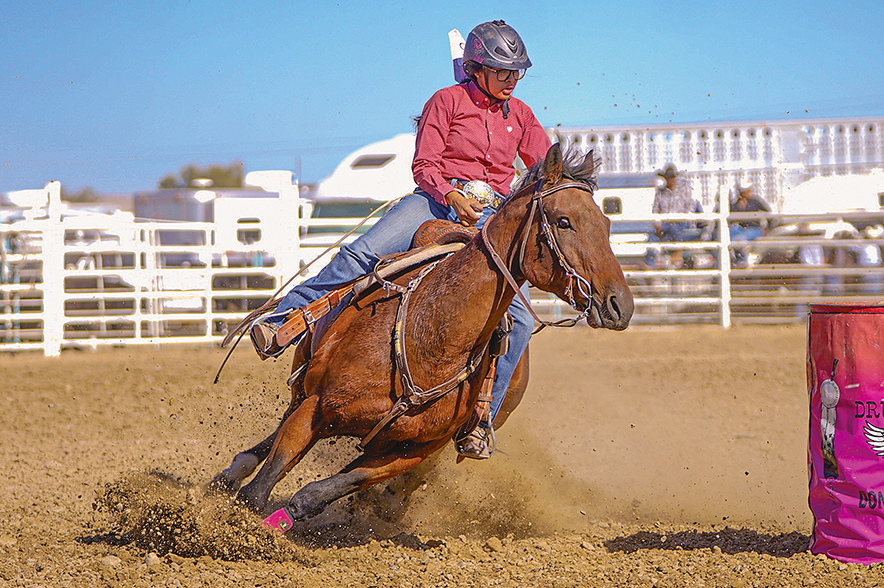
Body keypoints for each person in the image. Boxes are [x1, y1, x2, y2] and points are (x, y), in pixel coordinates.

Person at [249, 20, 550, 460]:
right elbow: (425, 164)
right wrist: (448, 192)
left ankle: (480, 419)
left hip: (490, 217)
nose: (511, 80)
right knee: (363, 253)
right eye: (503, 71)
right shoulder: (445, 101)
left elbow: (545, 163)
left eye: (516, 73)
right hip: (434, 202)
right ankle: (285, 321)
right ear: (477, 68)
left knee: (520, 321)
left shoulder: (520, 115)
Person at [644, 163, 703, 269]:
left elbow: (690, 206)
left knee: (673, 229)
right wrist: (658, 223)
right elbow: (655, 209)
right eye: (668, 178)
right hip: (666, 225)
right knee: (651, 238)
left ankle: (676, 252)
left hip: (680, 223)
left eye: (672, 178)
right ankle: (650, 266)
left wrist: (683, 218)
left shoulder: (684, 190)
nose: (670, 180)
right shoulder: (660, 193)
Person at [726, 182, 771, 267]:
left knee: (739, 239)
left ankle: (742, 260)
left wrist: (768, 227)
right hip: (742, 229)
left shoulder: (755, 201)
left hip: (754, 229)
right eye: (747, 191)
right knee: (733, 232)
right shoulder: (736, 204)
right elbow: (731, 216)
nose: (750, 192)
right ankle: (736, 258)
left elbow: (768, 213)